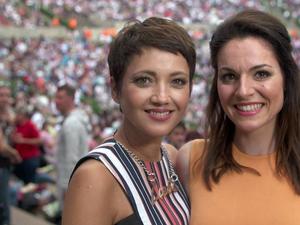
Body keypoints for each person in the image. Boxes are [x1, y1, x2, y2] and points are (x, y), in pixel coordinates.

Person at [62, 17, 196, 225]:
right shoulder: (95, 177)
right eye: (144, 80)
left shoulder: (170, 157)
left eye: (177, 81)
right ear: (115, 89)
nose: (161, 97)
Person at [177, 9, 300, 224]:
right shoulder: (191, 160)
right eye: (229, 76)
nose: (243, 90)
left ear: (286, 78)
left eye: (261, 74)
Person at [54, 84, 90, 211]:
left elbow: (72, 159)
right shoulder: (73, 120)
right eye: (56, 97)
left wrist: (67, 188)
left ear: (70, 99)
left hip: (69, 184)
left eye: (60, 98)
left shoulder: (71, 124)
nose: (56, 101)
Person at [0, 80, 22, 225]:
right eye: (2, 95)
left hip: (5, 163)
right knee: (4, 205)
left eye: (7, 96)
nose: (5, 99)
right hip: (2, 163)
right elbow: (1, 147)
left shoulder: (9, 114)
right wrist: (15, 155)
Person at [11, 105, 42, 184]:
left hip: (29, 159)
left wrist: (23, 140)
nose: (16, 116)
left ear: (23, 115)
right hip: (19, 159)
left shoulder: (30, 125)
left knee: (30, 181)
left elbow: (39, 141)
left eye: (18, 114)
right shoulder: (16, 126)